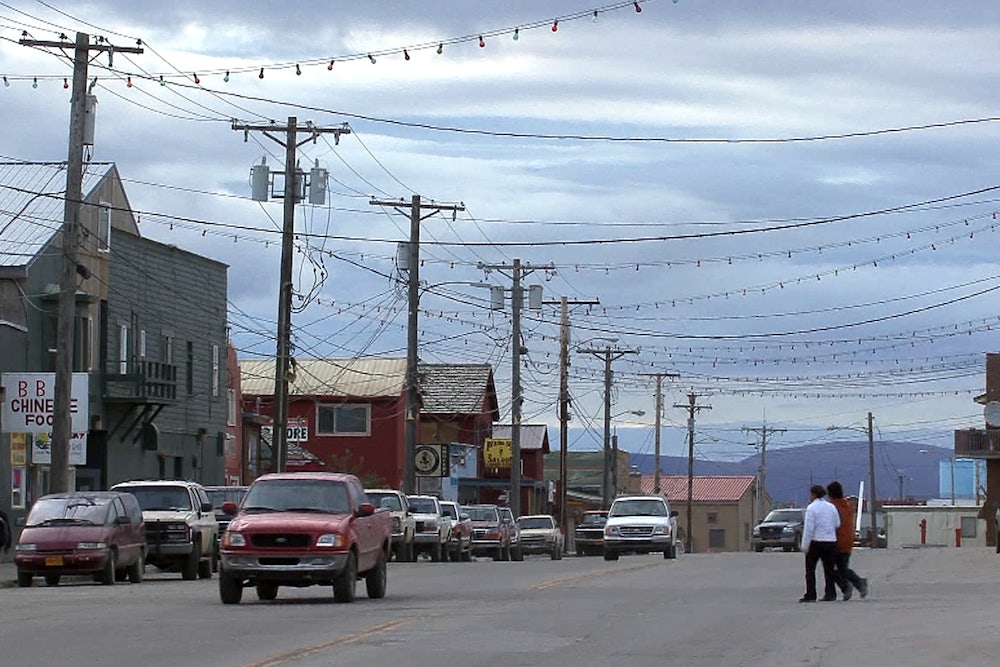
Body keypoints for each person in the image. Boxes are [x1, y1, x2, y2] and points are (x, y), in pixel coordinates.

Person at [826, 481, 868, 600]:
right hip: (848, 540)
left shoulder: (832, 507)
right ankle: (854, 585)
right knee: (841, 567)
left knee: (833, 569)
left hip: (837, 540)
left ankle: (853, 585)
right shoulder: (847, 506)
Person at [799, 484, 840, 603]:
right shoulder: (831, 507)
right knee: (829, 569)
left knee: (810, 570)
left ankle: (811, 594)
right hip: (830, 541)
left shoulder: (811, 508)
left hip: (816, 542)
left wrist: (805, 545)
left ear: (813, 494)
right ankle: (830, 593)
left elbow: (809, 529)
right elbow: (837, 523)